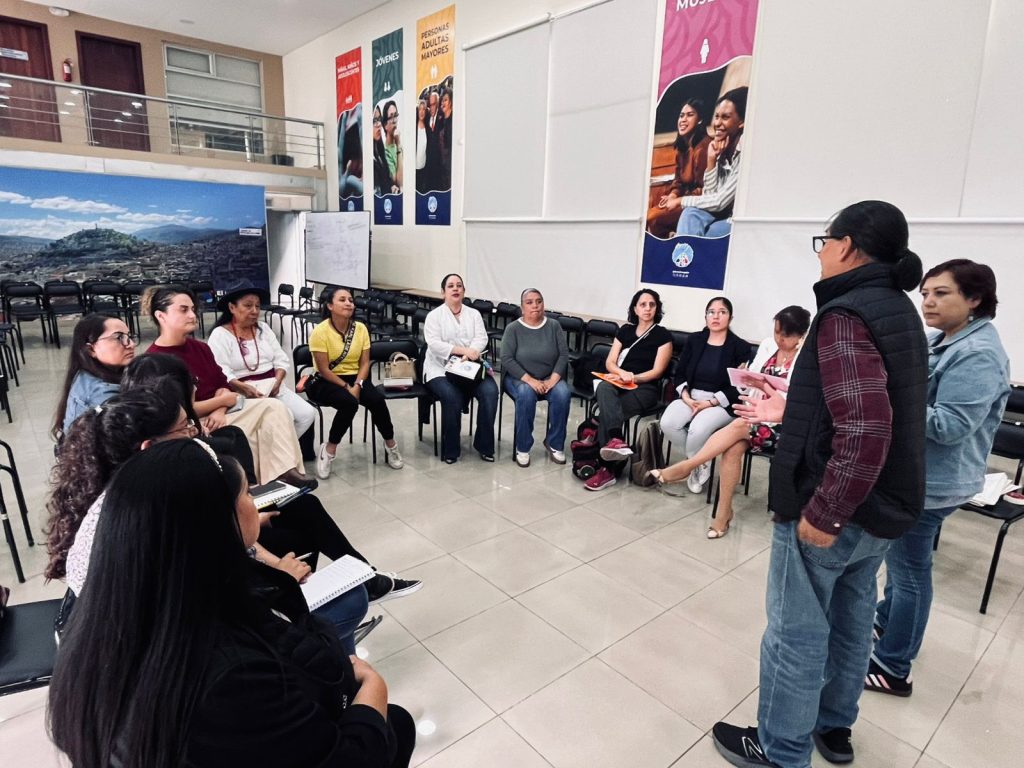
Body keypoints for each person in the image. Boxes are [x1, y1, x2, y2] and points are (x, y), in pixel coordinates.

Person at [712, 200, 928, 768]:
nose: (822, 252)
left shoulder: (846, 314)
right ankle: (834, 728)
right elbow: (864, 408)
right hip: (881, 505)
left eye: (825, 241)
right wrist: (793, 405)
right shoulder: (899, 310)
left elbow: (866, 427)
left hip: (837, 506)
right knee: (852, 624)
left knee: (796, 633)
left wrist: (826, 511)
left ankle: (781, 749)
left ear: (848, 246)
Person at [48, 439, 416, 768]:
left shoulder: (111, 613)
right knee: (394, 721)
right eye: (248, 494)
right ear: (218, 522)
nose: (255, 502)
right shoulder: (231, 675)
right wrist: (373, 683)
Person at [118, 353, 422, 609]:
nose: (197, 394)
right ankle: (316, 604)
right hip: (220, 560)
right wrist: (271, 558)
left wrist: (247, 517)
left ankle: (363, 578)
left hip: (231, 531)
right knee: (301, 532)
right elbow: (207, 545)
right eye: (185, 423)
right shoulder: (157, 481)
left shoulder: (167, 450)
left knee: (305, 504)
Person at [866, 259, 1010, 697]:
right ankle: (889, 622)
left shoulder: (978, 353)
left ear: (974, 299)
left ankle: (893, 666)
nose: (928, 302)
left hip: (935, 481)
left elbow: (949, 426)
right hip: (918, 473)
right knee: (902, 564)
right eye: (925, 293)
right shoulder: (942, 339)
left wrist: (886, 401)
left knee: (910, 571)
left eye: (941, 293)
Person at [651, 305, 811, 538]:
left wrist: (768, 392)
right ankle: (723, 514)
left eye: (786, 336)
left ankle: (689, 465)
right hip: (755, 416)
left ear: (801, 335)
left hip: (786, 426)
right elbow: (748, 383)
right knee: (733, 448)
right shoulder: (768, 346)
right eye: (777, 332)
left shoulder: (808, 357)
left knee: (739, 425)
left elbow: (801, 400)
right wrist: (746, 378)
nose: (779, 339)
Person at [144, 284, 313, 487]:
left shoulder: (200, 348)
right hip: (192, 424)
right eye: (183, 310)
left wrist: (221, 408)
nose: (192, 315)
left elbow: (222, 383)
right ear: (161, 316)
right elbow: (178, 411)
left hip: (221, 411)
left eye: (193, 309)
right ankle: (255, 484)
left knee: (275, 408)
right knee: (256, 432)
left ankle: (284, 473)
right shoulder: (154, 361)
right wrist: (223, 401)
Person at [305, 287, 404, 477]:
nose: (349, 303)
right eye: (342, 300)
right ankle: (329, 449)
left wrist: (358, 384)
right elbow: (324, 369)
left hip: (356, 376)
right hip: (327, 379)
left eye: (350, 300)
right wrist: (346, 387)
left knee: (377, 400)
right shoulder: (320, 331)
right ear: (330, 306)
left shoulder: (360, 328)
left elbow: (365, 363)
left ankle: (390, 444)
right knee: (349, 403)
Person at [659, 296, 753, 494]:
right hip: (691, 397)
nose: (716, 316)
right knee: (667, 423)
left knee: (697, 429)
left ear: (730, 317)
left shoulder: (740, 347)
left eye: (722, 312)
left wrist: (710, 402)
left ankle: (692, 464)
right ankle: (701, 461)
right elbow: (680, 373)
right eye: (711, 312)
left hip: (721, 402)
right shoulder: (695, 340)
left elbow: (739, 387)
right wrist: (687, 398)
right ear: (706, 316)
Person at [585, 289, 673, 492]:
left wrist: (633, 377)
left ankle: (607, 469)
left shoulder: (662, 336)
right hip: (619, 382)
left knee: (608, 414)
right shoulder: (625, 331)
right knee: (605, 387)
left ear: (657, 308)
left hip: (645, 388)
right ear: (635, 308)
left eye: (652, 305)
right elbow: (610, 362)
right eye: (643, 304)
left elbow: (657, 371)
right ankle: (616, 440)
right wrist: (621, 374)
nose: (647, 308)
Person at [207, 280, 317, 439]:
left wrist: (277, 382)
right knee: (278, 419)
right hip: (242, 392)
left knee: (307, 414)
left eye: (257, 306)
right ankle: (276, 448)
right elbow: (221, 370)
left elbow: (280, 359)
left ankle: (282, 448)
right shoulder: (220, 335)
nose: (254, 311)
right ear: (232, 307)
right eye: (248, 305)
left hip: (273, 387)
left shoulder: (263, 329)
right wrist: (242, 387)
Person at [423, 273, 498, 464]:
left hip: (469, 367)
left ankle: (484, 445)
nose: (455, 289)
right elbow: (434, 344)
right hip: (439, 369)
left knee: (490, 391)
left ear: (464, 291)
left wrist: (469, 354)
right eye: (451, 286)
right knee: (452, 396)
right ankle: (451, 450)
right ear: (443, 292)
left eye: (459, 285)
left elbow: (481, 338)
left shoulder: (474, 314)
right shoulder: (434, 316)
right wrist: (463, 351)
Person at [500, 288, 571, 467]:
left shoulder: (554, 326)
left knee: (563, 393)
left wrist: (553, 380)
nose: (535, 306)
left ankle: (555, 443)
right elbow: (506, 358)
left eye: (539, 301)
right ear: (522, 307)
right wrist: (530, 380)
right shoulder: (513, 328)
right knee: (526, 394)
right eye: (529, 302)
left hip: (549, 377)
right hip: (519, 378)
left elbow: (563, 355)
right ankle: (523, 447)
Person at [52, 313, 139, 439]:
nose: (131, 344)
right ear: (91, 349)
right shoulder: (104, 395)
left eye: (129, 336)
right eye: (119, 338)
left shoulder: (85, 373)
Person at [677, 87, 747, 238]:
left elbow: (719, 201)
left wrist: (680, 200)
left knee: (711, 232)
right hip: (722, 213)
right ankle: (684, 251)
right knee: (690, 214)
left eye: (725, 117)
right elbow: (709, 197)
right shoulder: (722, 146)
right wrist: (711, 160)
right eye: (716, 117)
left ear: (741, 122)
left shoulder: (744, 150)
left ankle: (686, 250)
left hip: (740, 219)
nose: (718, 123)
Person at [647, 98, 711, 238]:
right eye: (681, 115)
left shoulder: (704, 148)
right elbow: (678, 181)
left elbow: (705, 190)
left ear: (700, 120)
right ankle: (672, 236)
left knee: (653, 218)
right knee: (650, 215)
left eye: (690, 115)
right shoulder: (683, 147)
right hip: (682, 199)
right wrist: (673, 194)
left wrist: (679, 200)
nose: (683, 120)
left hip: (696, 205)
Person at [372, 104, 396, 195]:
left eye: (379, 119)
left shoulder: (379, 148)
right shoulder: (366, 157)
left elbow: (386, 178)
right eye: (374, 121)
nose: (379, 125)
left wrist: (391, 186)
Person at [382, 99, 403, 192]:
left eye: (395, 115)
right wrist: (398, 145)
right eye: (391, 117)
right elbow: (399, 182)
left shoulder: (399, 145)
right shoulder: (385, 152)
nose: (394, 121)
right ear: (385, 125)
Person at [438, 87, 453, 189]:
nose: (443, 103)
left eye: (446, 100)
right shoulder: (441, 119)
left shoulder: (454, 121)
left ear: (451, 102)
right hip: (442, 166)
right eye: (442, 100)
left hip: (450, 167)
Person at [415, 98, 428, 193]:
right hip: (414, 168)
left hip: (424, 167)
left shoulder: (428, 126)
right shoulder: (413, 126)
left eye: (424, 109)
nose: (422, 112)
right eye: (420, 109)